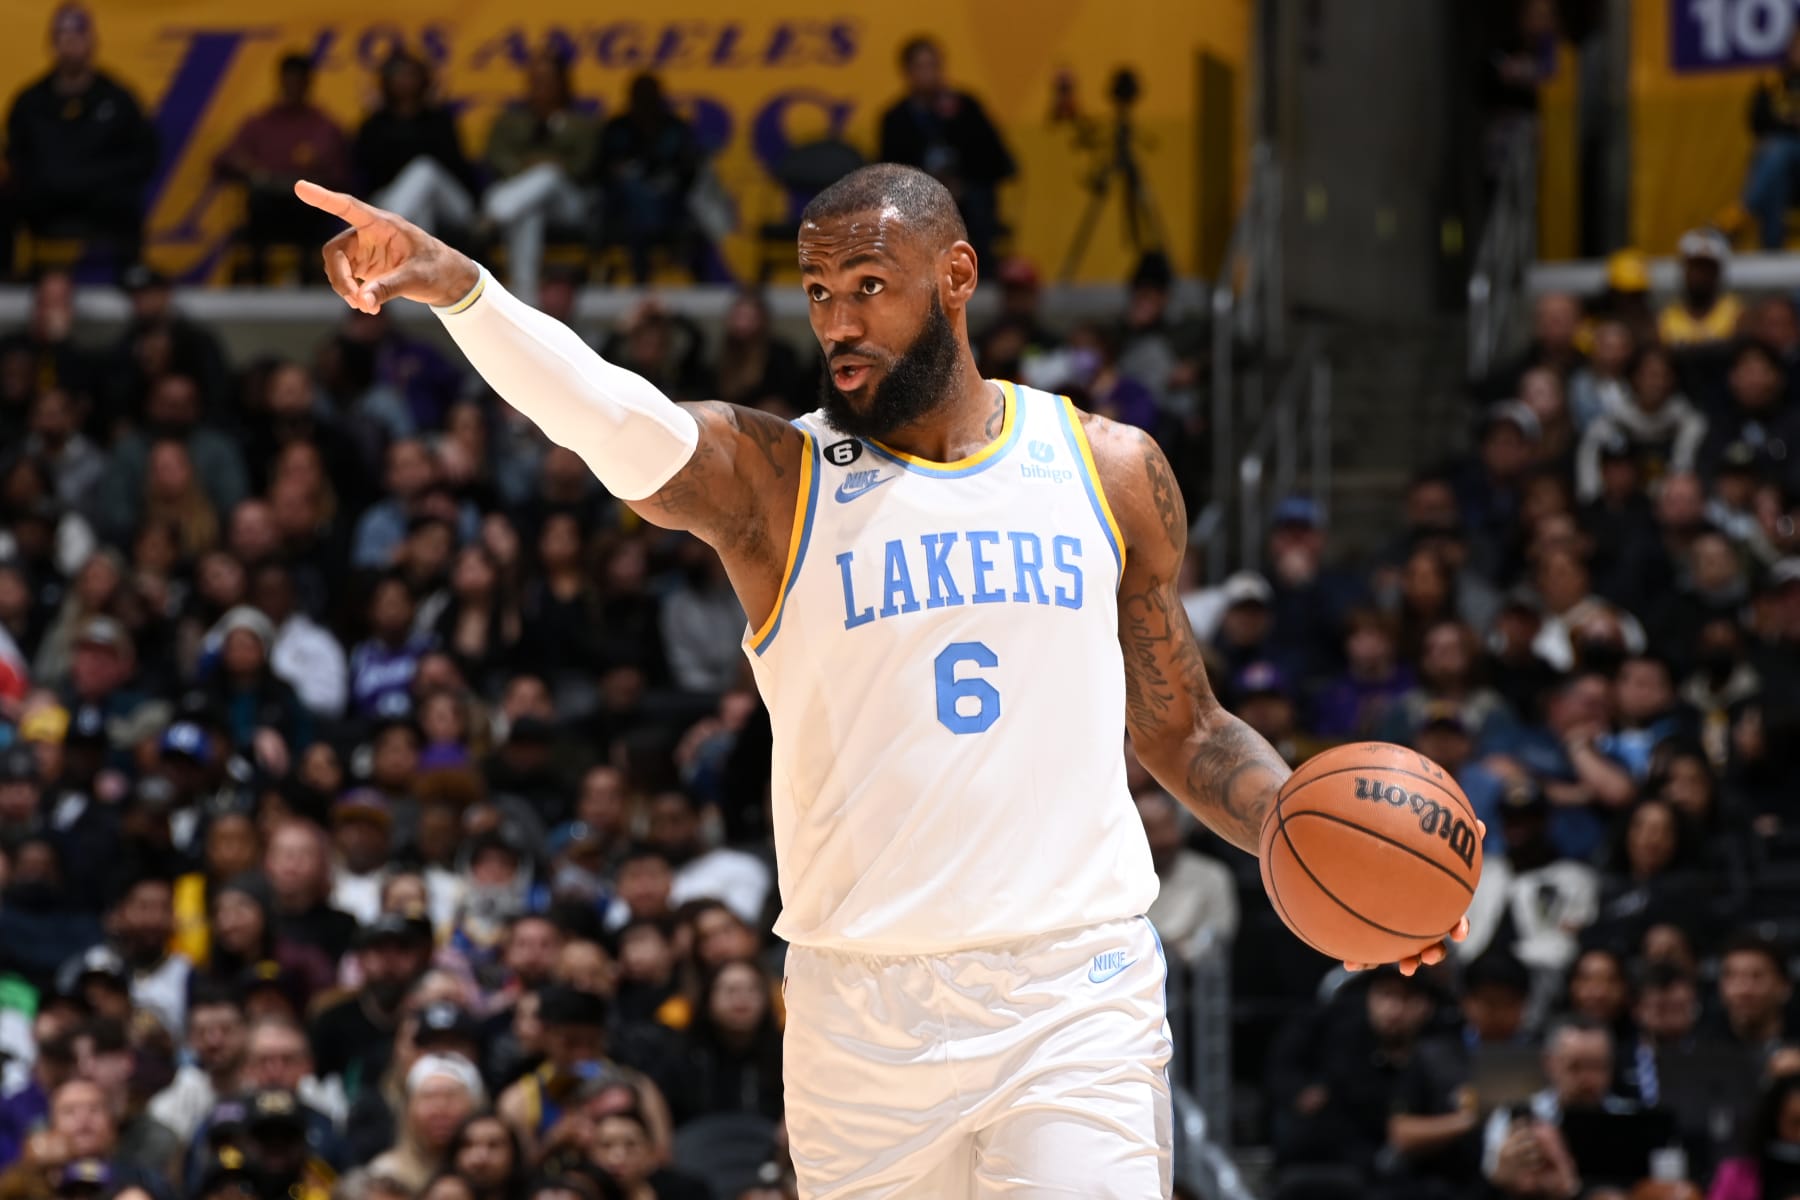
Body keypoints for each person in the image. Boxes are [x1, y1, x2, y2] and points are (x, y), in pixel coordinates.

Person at [295, 161, 1472, 1197]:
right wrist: (462, 290)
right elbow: (612, 416)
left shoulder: (1107, 468)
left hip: (1072, 987)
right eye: (819, 294)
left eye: (870, 284)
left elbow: (1188, 728)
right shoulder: (780, 480)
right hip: (859, 1006)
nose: (840, 321)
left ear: (955, 275)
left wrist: (1307, 843)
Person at [4, 5, 157, 269]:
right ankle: (6, 282)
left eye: (77, 38)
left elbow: (145, 152)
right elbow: (14, 153)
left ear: (92, 42)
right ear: (52, 45)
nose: (71, 47)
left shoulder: (117, 98)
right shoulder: (30, 101)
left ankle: (133, 278)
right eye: (63, 39)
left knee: (127, 204)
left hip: (102, 195)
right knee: (5, 202)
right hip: (45, 195)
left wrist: (108, 177)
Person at [877, 38, 1016, 266]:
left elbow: (995, 158)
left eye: (933, 66)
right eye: (921, 67)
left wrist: (961, 181)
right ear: (907, 72)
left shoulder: (966, 108)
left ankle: (981, 272)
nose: (928, 74)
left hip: (968, 193)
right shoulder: (895, 119)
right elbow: (889, 174)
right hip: (918, 199)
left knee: (978, 200)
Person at [213, 54, 349, 283]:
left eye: (299, 80)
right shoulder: (260, 123)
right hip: (266, 205)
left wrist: (311, 178)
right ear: (280, 81)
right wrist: (248, 168)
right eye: (289, 79)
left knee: (308, 207)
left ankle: (309, 282)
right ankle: (256, 286)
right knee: (259, 202)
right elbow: (224, 160)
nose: (293, 85)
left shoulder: (323, 126)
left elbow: (340, 175)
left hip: (308, 209)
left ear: (309, 82)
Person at [478, 49, 597, 305]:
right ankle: (525, 295)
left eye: (549, 80)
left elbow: (584, 166)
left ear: (562, 83)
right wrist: (527, 166)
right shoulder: (510, 120)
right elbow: (497, 157)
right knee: (529, 209)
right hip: (524, 197)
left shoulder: (581, 123)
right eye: (536, 79)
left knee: (548, 175)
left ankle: (496, 214)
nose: (542, 86)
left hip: (569, 202)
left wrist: (550, 165)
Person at [355, 51, 478, 238]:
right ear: (387, 81)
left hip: (448, 201)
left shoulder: (438, 119)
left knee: (424, 169)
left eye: (411, 75)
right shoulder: (376, 124)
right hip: (391, 196)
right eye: (399, 75)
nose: (405, 81)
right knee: (420, 203)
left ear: (424, 79)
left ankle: (389, 225)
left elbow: (455, 166)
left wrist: (430, 115)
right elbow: (370, 170)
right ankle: (422, 265)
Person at [1744, 31, 1800, 251]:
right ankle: (1773, 252)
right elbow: (1757, 120)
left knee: (1777, 152)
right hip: (1784, 166)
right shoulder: (1773, 81)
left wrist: (1783, 125)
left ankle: (1743, 210)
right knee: (1775, 166)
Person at [1658, 230, 1743, 349]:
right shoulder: (1667, 318)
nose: (1700, 275)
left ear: (1718, 272)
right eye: (1694, 268)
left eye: (1707, 269)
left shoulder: (1736, 314)